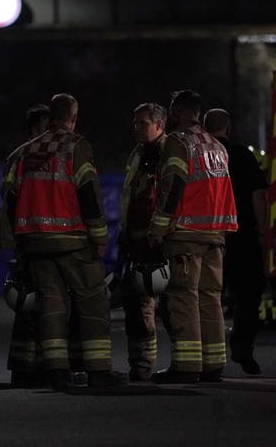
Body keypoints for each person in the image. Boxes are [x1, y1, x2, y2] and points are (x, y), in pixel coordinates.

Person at [3, 93, 123, 390]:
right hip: (72, 240)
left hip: (35, 242)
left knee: (52, 304)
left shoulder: (23, 152)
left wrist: (18, 238)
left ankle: (57, 370)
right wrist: (99, 236)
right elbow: (89, 194)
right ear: (73, 116)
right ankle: (98, 370)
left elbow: (9, 199)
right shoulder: (76, 147)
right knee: (93, 299)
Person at [149, 90, 238, 384]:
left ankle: (186, 366)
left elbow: (174, 184)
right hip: (215, 233)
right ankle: (214, 363)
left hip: (186, 232)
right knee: (210, 297)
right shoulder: (216, 145)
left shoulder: (178, 141)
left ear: (178, 111)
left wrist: (160, 226)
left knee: (183, 297)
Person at [204, 108, 268, 375]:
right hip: (242, 237)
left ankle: (210, 355)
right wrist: (262, 232)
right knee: (247, 297)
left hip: (209, 235)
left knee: (209, 298)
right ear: (228, 129)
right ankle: (243, 349)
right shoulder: (243, 155)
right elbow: (259, 197)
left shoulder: (201, 155)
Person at [119, 102, 167, 381]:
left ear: (160, 125)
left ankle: (183, 363)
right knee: (137, 304)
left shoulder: (169, 152)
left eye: (143, 123)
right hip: (137, 239)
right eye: (135, 123)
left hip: (161, 240)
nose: (136, 128)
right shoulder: (138, 153)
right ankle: (141, 362)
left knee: (171, 306)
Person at [5, 103, 50, 387]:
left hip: (39, 238)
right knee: (32, 303)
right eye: (48, 126)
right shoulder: (23, 157)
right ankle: (26, 367)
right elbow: (11, 199)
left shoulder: (19, 156)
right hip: (34, 240)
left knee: (40, 303)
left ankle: (32, 367)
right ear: (35, 129)